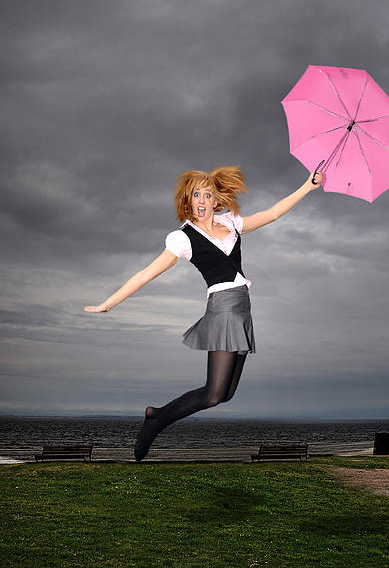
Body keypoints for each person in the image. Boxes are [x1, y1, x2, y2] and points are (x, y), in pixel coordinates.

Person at [84, 165, 321, 461]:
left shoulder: (231, 222)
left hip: (242, 309)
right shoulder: (183, 238)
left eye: (207, 194)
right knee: (212, 393)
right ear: (188, 199)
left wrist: (307, 187)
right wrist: (108, 303)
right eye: (196, 194)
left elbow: (272, 214)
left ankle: (157, 415)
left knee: (225, 395)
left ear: (215, 200)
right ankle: (155, 421)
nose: (201, 200)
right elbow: (145, 274)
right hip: (222, 310)